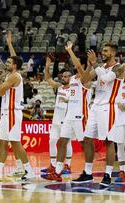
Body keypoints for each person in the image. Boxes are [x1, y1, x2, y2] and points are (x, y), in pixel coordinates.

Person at [42, 42, 92, 182]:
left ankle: (88, 172)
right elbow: (50, 79)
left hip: (80, 115)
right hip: (69, 116)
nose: (73, 64)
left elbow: (79, 67)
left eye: (77, 63)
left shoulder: (85, 78)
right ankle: (57, 172)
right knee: (61, 142)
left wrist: (70, 51)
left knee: (85, 143)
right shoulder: (72, 79)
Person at [0, 55, 35, 181]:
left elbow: (0, 92)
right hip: (7, 113)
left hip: (13, 113)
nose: (6, 63)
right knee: (2, 142)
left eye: (9, 62)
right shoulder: (9, 76)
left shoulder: (14, 76)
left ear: (15, 65)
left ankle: (29, 170)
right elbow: (0, 89)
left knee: (16, 143)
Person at [83, 42, 125, 186]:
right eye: (103, 50)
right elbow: (84, 80)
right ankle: (87, 173)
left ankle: (107, 174)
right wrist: (90, 65)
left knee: (108, 141)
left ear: (113, 53)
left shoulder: (119, 67)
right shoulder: (100, 67)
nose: (103, 53)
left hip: (109, 107)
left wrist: (95, 64)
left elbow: (106, 79)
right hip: (95, 106)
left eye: (106, 51)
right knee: (87, 139)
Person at [40, 56, 72, 175]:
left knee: (67, 142)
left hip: (67, 120)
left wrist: (68, 100)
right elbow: (48, 78)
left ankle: (67, 166)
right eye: (62, 76)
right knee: (52, 141)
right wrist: (47, 67)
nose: (63, 78)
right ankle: (53, 165)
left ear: (71, 78)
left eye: (66, 76)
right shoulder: (59, 87)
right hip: (56, 120)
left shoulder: (74, 89)